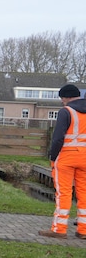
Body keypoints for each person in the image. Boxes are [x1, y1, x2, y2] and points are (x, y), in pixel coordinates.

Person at [39, 84, 86, 239]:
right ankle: (83, 230)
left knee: (63, 193)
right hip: (85, 158)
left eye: (62, 98)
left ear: (67, 97)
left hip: (66, 157)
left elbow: (58, 138)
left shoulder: (66, 112)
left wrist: (53, 157)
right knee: (84, 193)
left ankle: (59, 229)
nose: (61, 102)